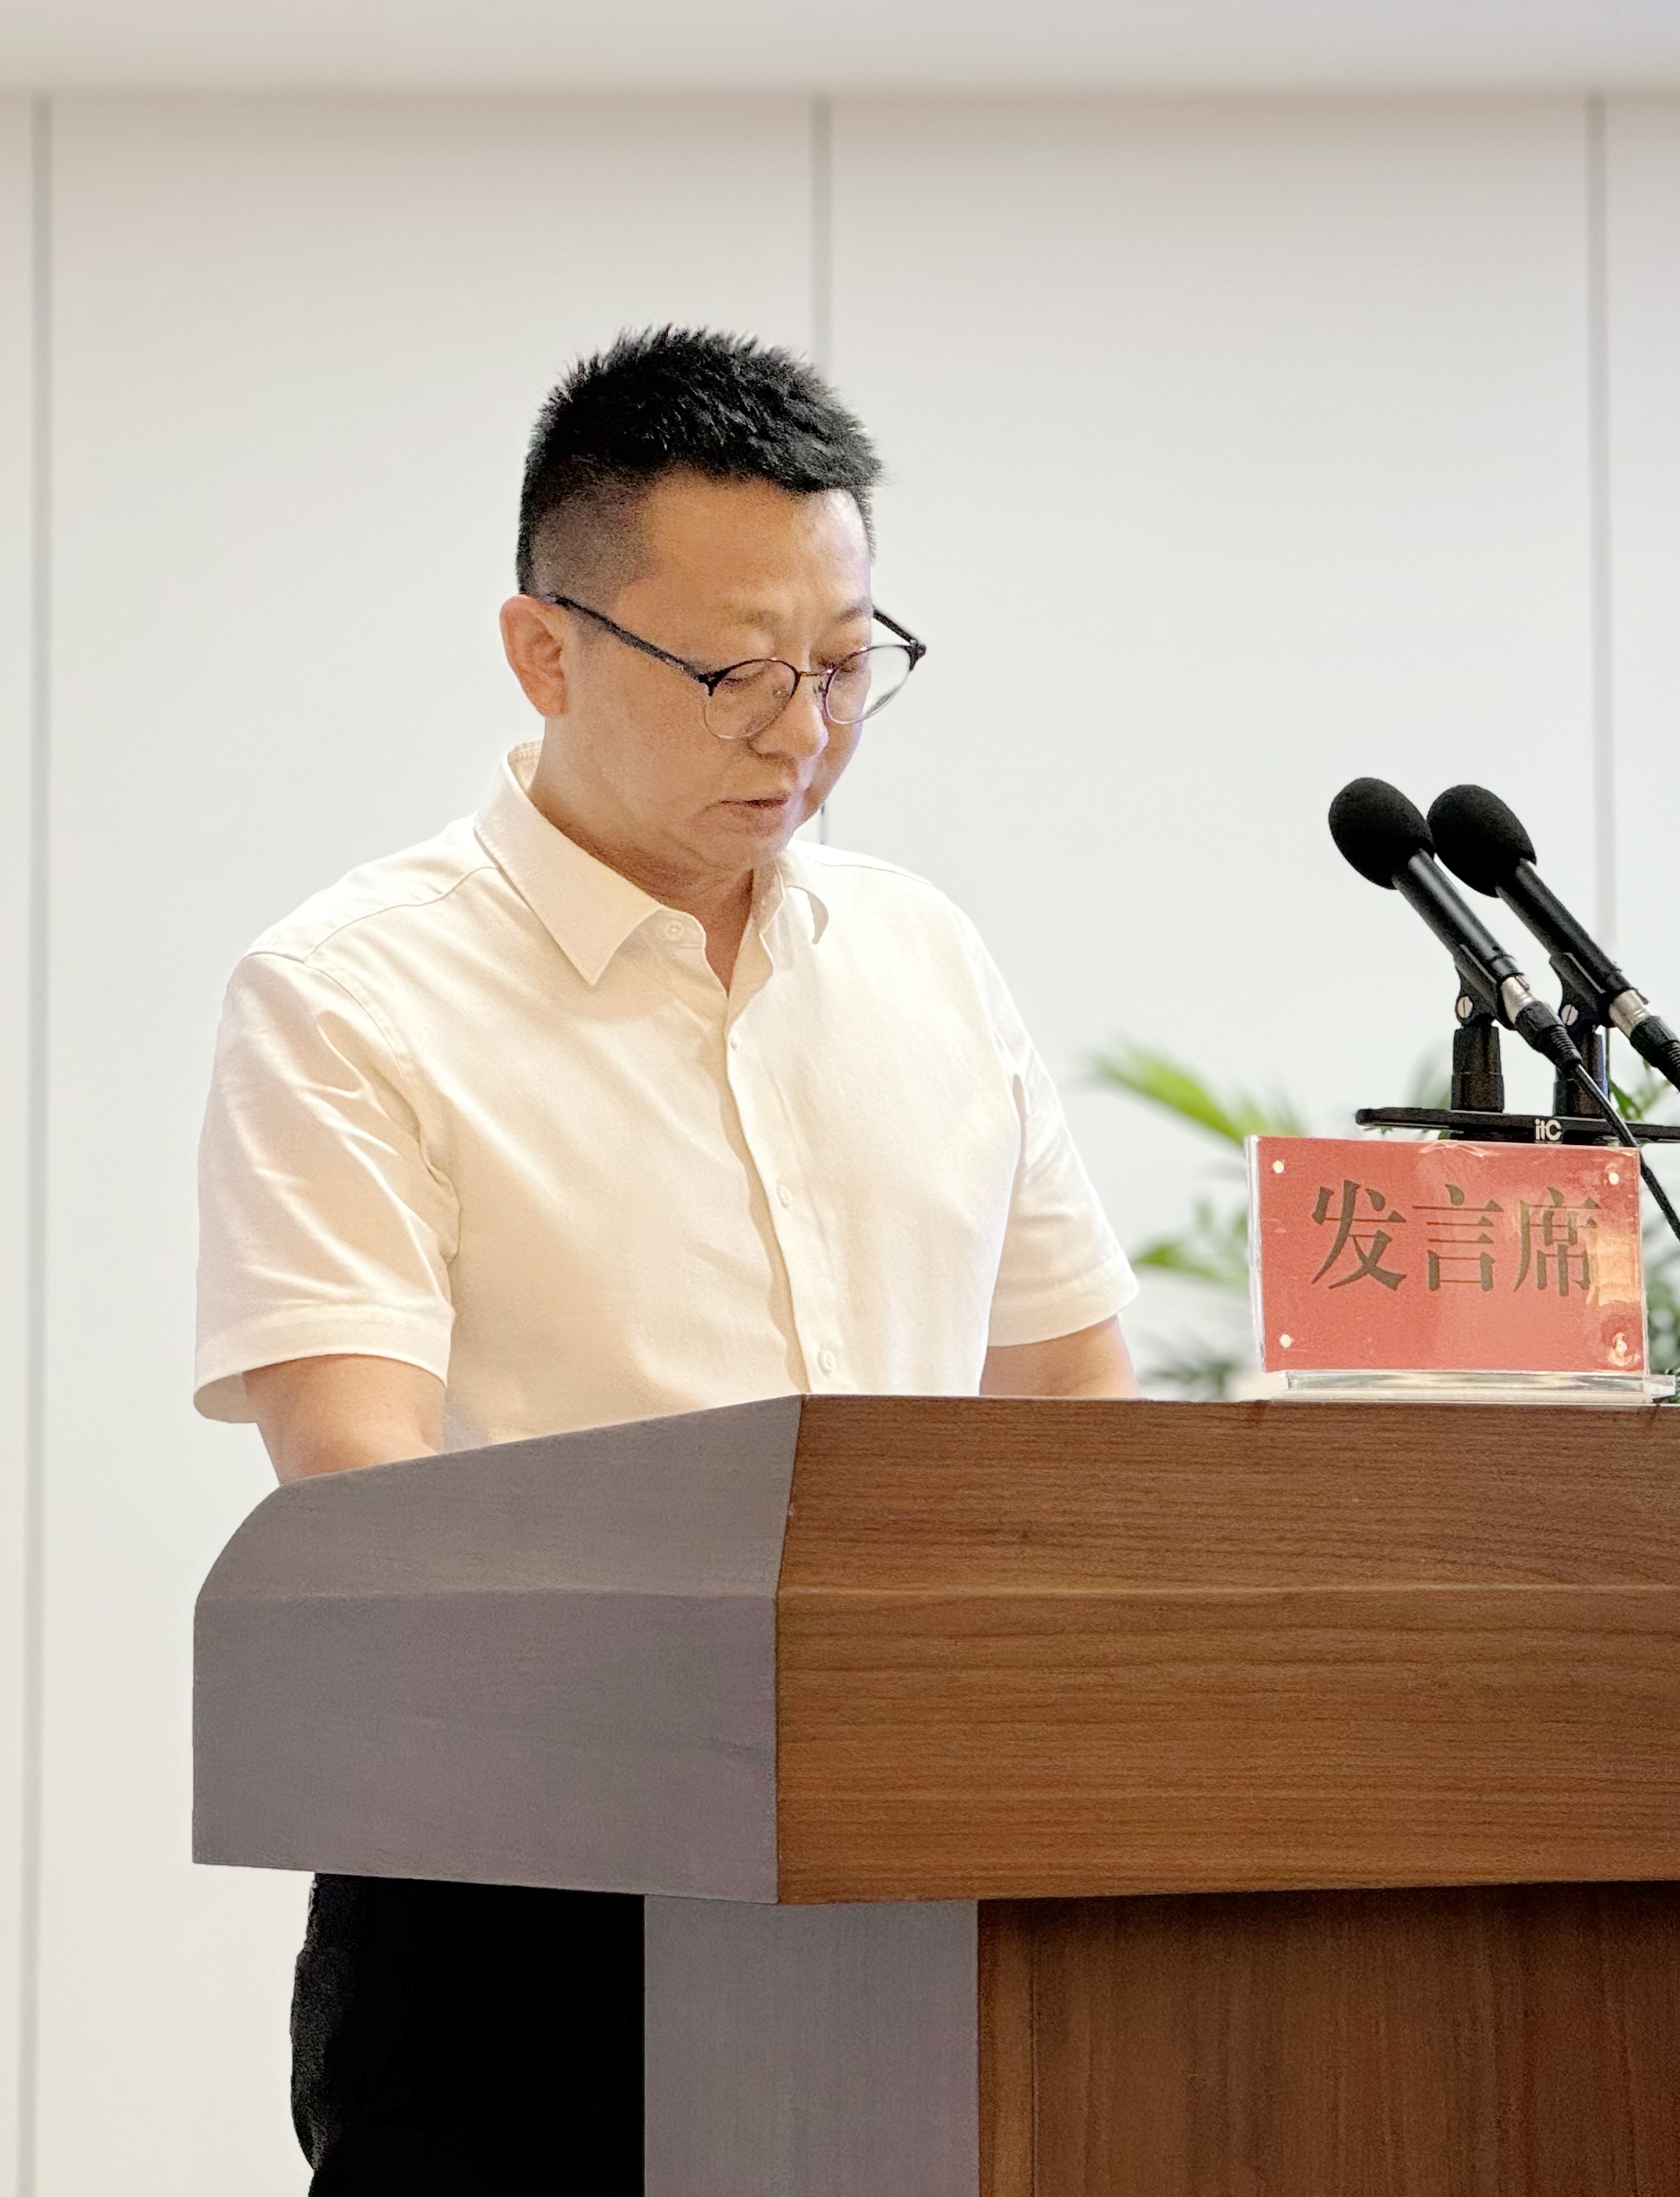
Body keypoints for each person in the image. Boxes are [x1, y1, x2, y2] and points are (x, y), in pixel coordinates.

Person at [192, 326, 1139, 2193]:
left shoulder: (928, 962)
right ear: (544, 650)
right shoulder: (350, 993)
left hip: (931, 1880)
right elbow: (363, 1486)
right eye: (734, 673)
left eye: (847, 667)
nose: (801, 734)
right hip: (520, 1908)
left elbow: (1072, 1405)